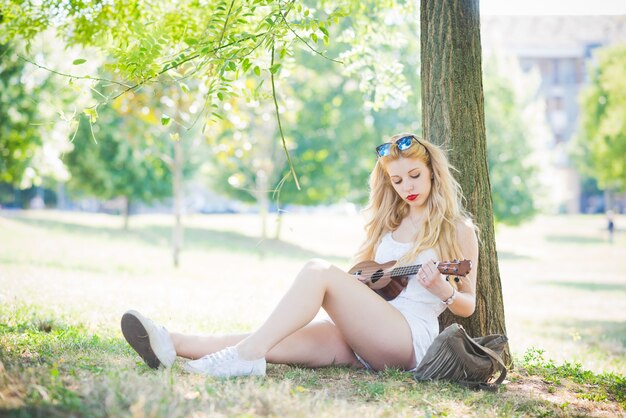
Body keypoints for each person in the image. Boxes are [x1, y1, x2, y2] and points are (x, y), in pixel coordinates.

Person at [121, 133, 479, 377]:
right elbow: (363, 281)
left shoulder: (458, 229)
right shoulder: (389, 225)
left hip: (407, 339)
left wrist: (441, 290)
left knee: (318, 271)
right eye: (398, 181)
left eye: (415, 176)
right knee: (274, 340)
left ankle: (245, 359)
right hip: (366, 334)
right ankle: (171, 343)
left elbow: (468, 304)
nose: (408, 188)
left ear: (433, 171)